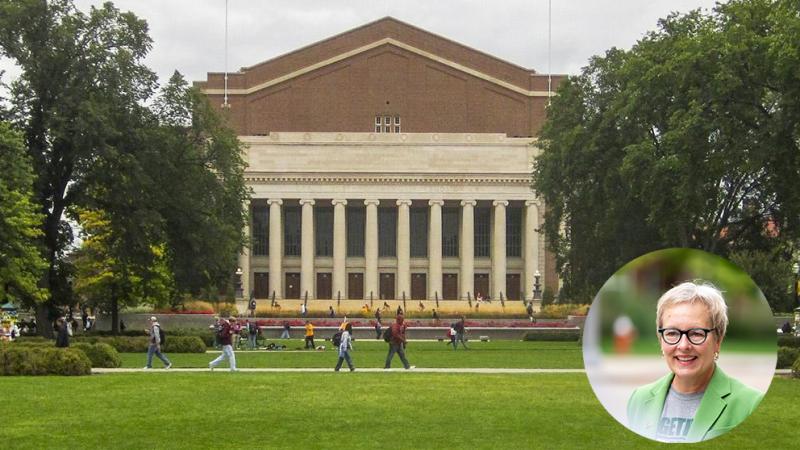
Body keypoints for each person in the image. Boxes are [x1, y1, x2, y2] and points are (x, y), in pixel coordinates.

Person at [626, 282, 764, 443]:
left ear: (718, 340)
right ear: (661, 339)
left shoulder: (750, 404)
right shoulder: (639, 400)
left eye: (697, 333)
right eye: (672, 333)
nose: (683, 345)